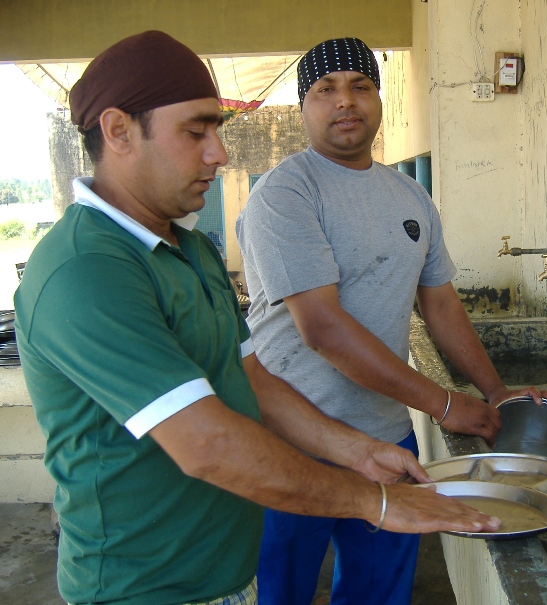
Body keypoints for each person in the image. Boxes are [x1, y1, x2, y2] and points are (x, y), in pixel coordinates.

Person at [13, 31, 503, 605]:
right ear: (119, 131)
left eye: (216, 130)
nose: (219, 153)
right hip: (147, 589)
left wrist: (358, 452)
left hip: (227, 574)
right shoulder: (87, 270)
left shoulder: (190, 249)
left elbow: (252, 380)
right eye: (196, 132)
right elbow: (207, 444)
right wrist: (374, 499)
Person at [236, 37, 547, 605]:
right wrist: (443, 403)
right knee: (280, 591)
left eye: (360, 86)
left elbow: (440, 304)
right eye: (325, 90)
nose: (345, 101)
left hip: (385, 439)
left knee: (378, 592)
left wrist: (495, 391)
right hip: (291, 440)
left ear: (379, 100)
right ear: (304, 107)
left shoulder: (411, 196)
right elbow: (322, 328)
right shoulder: (283, 194)